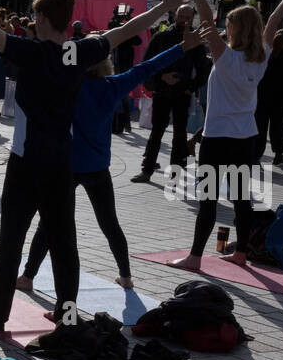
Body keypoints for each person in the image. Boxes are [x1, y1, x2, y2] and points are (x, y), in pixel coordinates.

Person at [0, 0, 190, 333]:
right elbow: (127, 30)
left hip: (26, 164)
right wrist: (166, 8)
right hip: (62, 163)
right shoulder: (79, 53)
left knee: (11, 243)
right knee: (65, 245)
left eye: (35, 15)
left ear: (43, 18)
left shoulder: (31, 53)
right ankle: (66, 319)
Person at [18, 27, 204, 293]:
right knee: (110, 225)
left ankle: (27, 278)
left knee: (49, 223)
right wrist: (182, 48)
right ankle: (126, 277)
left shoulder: (70, 86)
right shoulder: (114, 86)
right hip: (98, 167)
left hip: (66, 166)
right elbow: (148, 67)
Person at [169, 0, 283, 272]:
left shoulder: (224, 57)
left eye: (228, 24)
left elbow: (205, 17)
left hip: (217, 139)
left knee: (208, 200)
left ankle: (194, 257)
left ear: (234, 29)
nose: (223, 27)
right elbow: (275, 18)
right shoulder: (262, 57)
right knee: (240, 198)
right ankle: (241, 253)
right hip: (246, 139)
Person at [130, 4, 210, 182]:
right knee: (156, 132)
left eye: (188, 17)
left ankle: (176, 173)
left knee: (180, 134)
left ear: (193, 18)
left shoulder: (195, 40)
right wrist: (161, 78)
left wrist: (191, 86)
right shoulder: (162, 36)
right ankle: (147, 169)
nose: (184, 20)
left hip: (183, 93)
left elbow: (204, 68)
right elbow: (147, 64)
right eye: (181, 16)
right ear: (175, 15)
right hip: (162, 91)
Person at [254, 28, 283, 165]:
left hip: (261, 98)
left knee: (259, 128)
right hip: (280, 101)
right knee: (277, 128)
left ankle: (256, 156)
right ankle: (279, 154)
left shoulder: (264, 55)